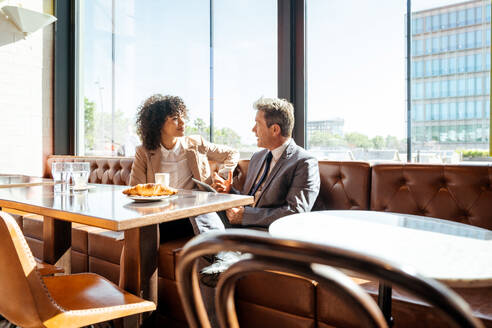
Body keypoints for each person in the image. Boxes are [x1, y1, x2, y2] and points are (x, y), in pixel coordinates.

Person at [200, 96, 321, 286]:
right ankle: (224, 252)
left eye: (257, 124)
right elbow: (252, 199)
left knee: (203, 252)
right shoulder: (258, 157)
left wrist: (245, 216)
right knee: (201, 207)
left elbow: (295, 213)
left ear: (275, 129)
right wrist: (230, 191)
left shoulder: (304, 162)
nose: (253, 130)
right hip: (243, 226)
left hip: (266, 231)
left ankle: (222, 252)